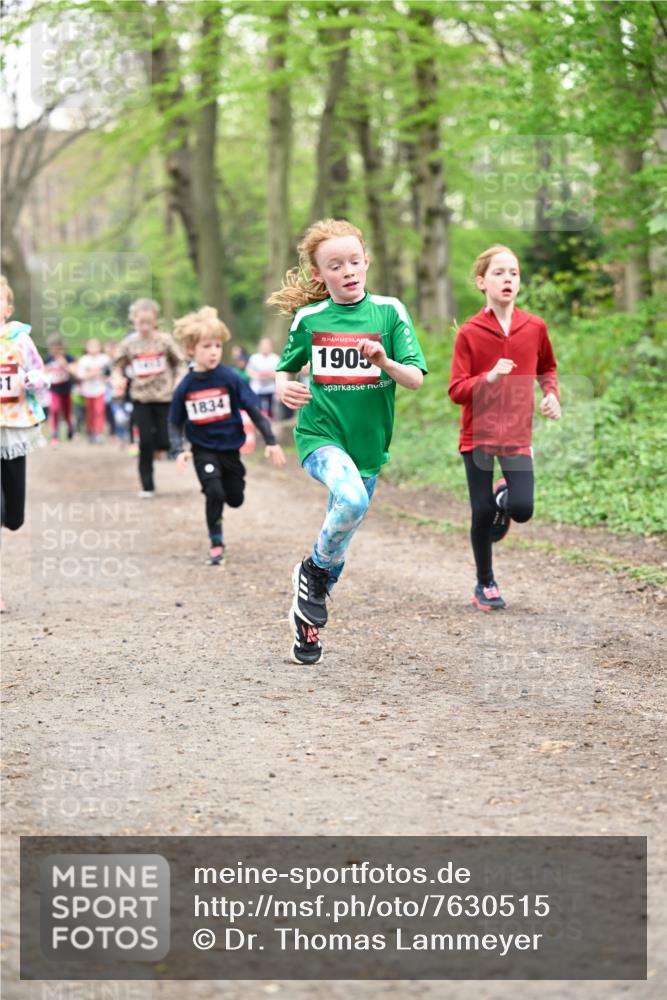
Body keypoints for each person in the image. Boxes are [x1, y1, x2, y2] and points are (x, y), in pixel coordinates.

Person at [269, 218, 427, 666]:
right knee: (352, 500)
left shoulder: (389, 312)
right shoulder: (311, 318)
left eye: (354, 261)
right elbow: (287, 366)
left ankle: (308, 617)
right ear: (319, 274)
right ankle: (311, 573)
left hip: (368, 446)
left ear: (366, 262)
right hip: (321, 436)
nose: (348, 271)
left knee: (339, 541)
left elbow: (414, 379)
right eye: (335, 265)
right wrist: (284, 387)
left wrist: (384, 360)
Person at [448, 244, 560, 612]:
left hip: (516, 434)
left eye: (513, 272)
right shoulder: (470, 332)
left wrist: (551, 395)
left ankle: (503, 498)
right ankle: (485, 583)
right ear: (482, 282)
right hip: (478, 435)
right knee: (481, 514)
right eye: (499, 273)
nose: (507, 279)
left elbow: (548, 368)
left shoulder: (535, 327)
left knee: (523, 507)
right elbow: (456, 390)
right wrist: (489, 377)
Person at [169, 307, 285, 565]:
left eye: (217, 346)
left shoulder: (230, 378)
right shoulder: (186, 386)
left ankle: (226, 507)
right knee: (214, 491)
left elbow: (254, 411)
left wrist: (271, 441)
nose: (213, 352)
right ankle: (216, 541)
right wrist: (178, 450)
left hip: (230, 448)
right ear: (191, 350)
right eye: (206, 346)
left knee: (235, 497)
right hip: (202, 449)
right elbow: (174, 422)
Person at [0, 275, 50, 612]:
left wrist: (34, 380)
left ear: (8, 308)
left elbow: (42, 374)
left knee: (14, 517)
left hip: (15, 428)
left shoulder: (20, 340)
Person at [114, 298, 183, 497]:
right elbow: (117, 365)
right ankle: (147, 485)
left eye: (148, 322)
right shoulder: (129, 344)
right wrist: (118, 379)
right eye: (140, 322)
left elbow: (180, 363)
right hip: (140, 398)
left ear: (155, 321)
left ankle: (160, 448)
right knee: (144, 442)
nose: (144, 326)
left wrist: (179, 381)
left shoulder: (165, 340)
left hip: (164, 397)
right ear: (133, 321)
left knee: (165, 440)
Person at [44, 333, 76, 444]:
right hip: (53, 389)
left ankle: (70, 428)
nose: (54, 350)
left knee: (67, 413)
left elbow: (74, 371)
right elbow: (41, 371)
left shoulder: (68, 357)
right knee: (55, 409)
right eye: (52, 348)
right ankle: (54, 434)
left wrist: (65, 364)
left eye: (57, 347)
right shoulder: (48, 359)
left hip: (66, 389)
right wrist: (46, 368)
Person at [77, 338, 110, 443]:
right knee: (90, 412)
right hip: (87, 391)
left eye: (96, 346)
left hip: (100, 389)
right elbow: (80, 376)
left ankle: (98, 432)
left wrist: (106, 378)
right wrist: (92, 374)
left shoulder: (105, 359)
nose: (94, 348)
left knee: (99, 411)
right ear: (86, 348)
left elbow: (109, 373)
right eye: (91, 346)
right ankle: (91, 431)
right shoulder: (83, 360)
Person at [247, 337, 280, 417]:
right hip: (257, 388)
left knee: (272, 410)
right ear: (259, 346)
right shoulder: (254, 358)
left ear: (271, 347)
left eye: (267, 345)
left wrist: (270, 375)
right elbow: (249, 371)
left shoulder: (276, 358)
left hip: (271, 388)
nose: (265, 347)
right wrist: (257, 376)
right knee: (258, 409)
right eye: (263, 345)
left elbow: (280, 372)